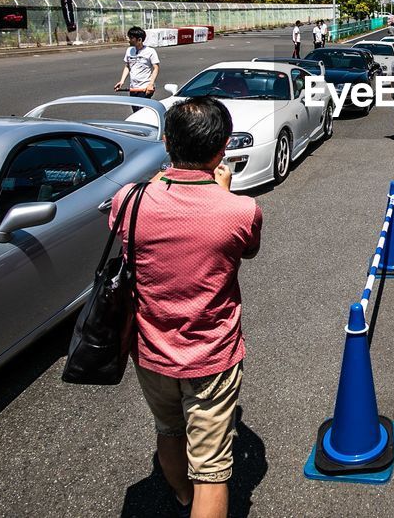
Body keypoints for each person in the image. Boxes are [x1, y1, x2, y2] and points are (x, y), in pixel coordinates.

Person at [114, 96, 262, 518]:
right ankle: (195, 498)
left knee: (169, 429)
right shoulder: (240, 210)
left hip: (150, 349)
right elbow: (246, 252)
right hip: (212, 352)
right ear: (224, 147)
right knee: (212, 470)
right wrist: (221, 192)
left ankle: (180, 497)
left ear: (166, 142)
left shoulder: (131, 199)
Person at [115, 26, 160, 98]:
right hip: (133, 88)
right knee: (136, 109)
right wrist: (121, 81)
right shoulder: (129, 50)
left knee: (142, 109)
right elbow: (127, 66)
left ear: (139, 40)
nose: (129, 40)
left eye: (131, 38)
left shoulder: (150, 51)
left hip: (145, 88)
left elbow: (156, 68)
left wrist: (151, 84)